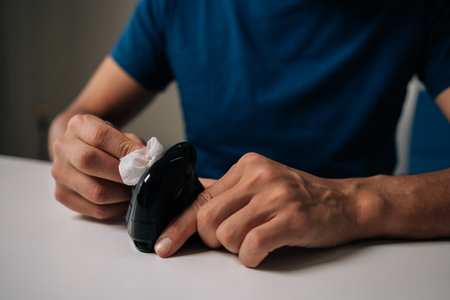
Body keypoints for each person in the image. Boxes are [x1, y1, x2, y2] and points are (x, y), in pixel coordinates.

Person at [48, 0, 450, 268]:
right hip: (194, 261)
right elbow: (70, 121)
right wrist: (80, 153)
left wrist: (350, 204)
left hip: (361, 261)